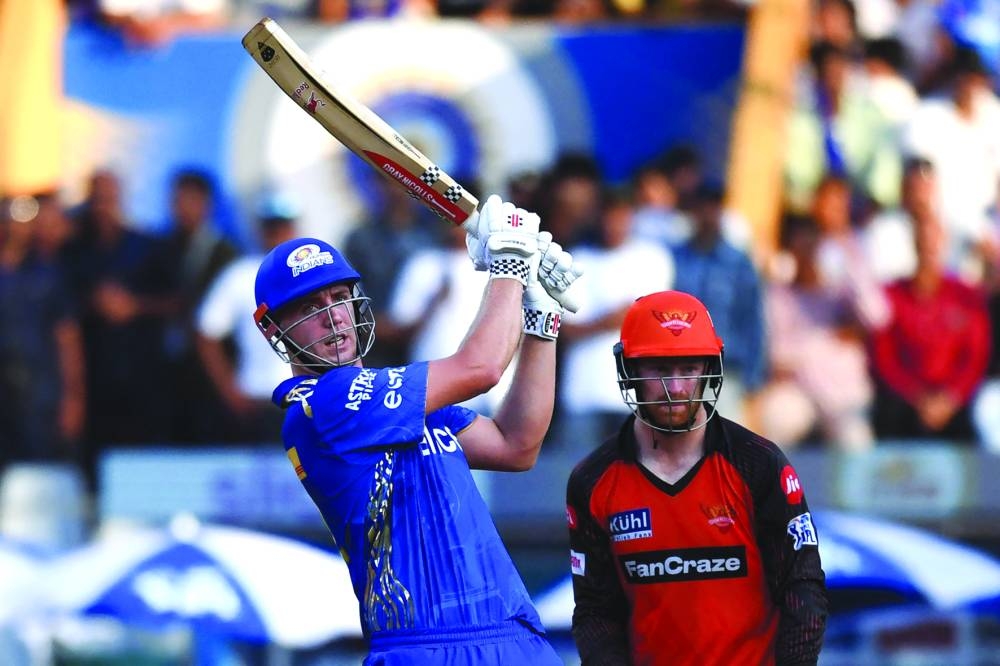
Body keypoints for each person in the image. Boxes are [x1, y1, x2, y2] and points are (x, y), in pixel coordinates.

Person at [253, 195, 582, 664]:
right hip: (423, 645)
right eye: (308, 307)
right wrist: (509, 264)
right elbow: (481, 368)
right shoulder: (323, 404)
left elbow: (516, 444)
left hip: (512, 630)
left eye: (339, 297)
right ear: (273, 329)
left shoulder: (400, 398)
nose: (332, 316)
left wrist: (539, 321)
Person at [566, 290, 827, 665]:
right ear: (630, 370)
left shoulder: (759, 465)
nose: (675, 389)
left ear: (708, 369)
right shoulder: (593, 481)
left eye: (688, 369)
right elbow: (595, 612)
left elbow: (803, 590)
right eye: (659, 369)